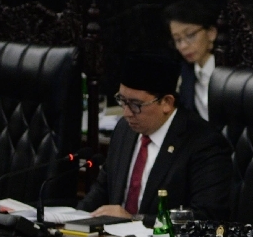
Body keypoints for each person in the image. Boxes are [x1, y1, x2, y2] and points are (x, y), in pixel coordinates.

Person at [78, 53, 231, 227]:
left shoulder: (204, 142)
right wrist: (73, 219)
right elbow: (102, 190)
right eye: (122, 101)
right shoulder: (124, 130)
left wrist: (134, 219)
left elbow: (205, 215)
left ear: (166, 102)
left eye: (135, 105)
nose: (127, 113)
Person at [163, 0, 219, 120]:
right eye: (177, 40)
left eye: (190, 35)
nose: (183, 46)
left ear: (211, 33)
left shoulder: (230, 68)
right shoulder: (185, 75)